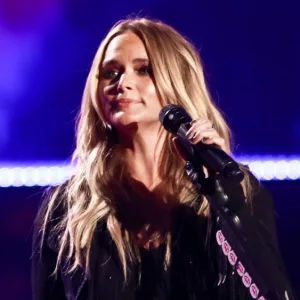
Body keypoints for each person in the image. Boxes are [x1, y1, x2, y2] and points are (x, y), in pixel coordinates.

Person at [31, 17, 293, 300]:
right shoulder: (69, 208)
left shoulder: (236, 189)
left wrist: (225, 202)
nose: (123, 82)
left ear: (176, 82)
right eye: (111, 73)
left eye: (143, 70)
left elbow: (274, 292)